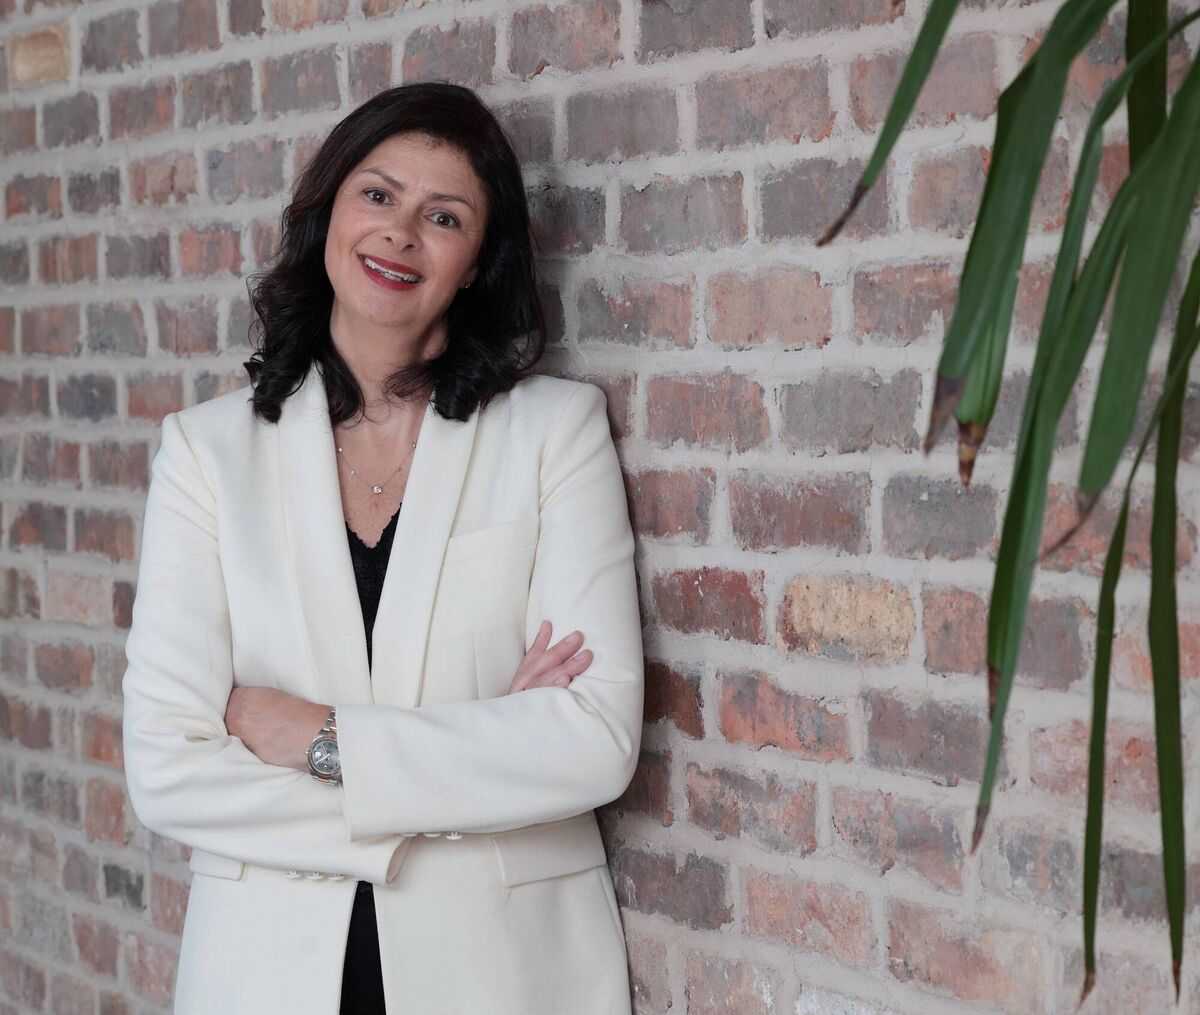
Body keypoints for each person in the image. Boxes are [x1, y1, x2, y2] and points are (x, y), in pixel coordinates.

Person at [120, 82, 644, 1014]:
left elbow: (594, 740)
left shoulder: (553, 434)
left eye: (443, 217)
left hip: (504, 973)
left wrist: (321, 740)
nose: (400, 233)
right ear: (329, 214)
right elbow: (167, 769)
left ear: (477, 263)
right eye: (377, 195)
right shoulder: (206, 454)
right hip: (265, 974)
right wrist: (474, 764)